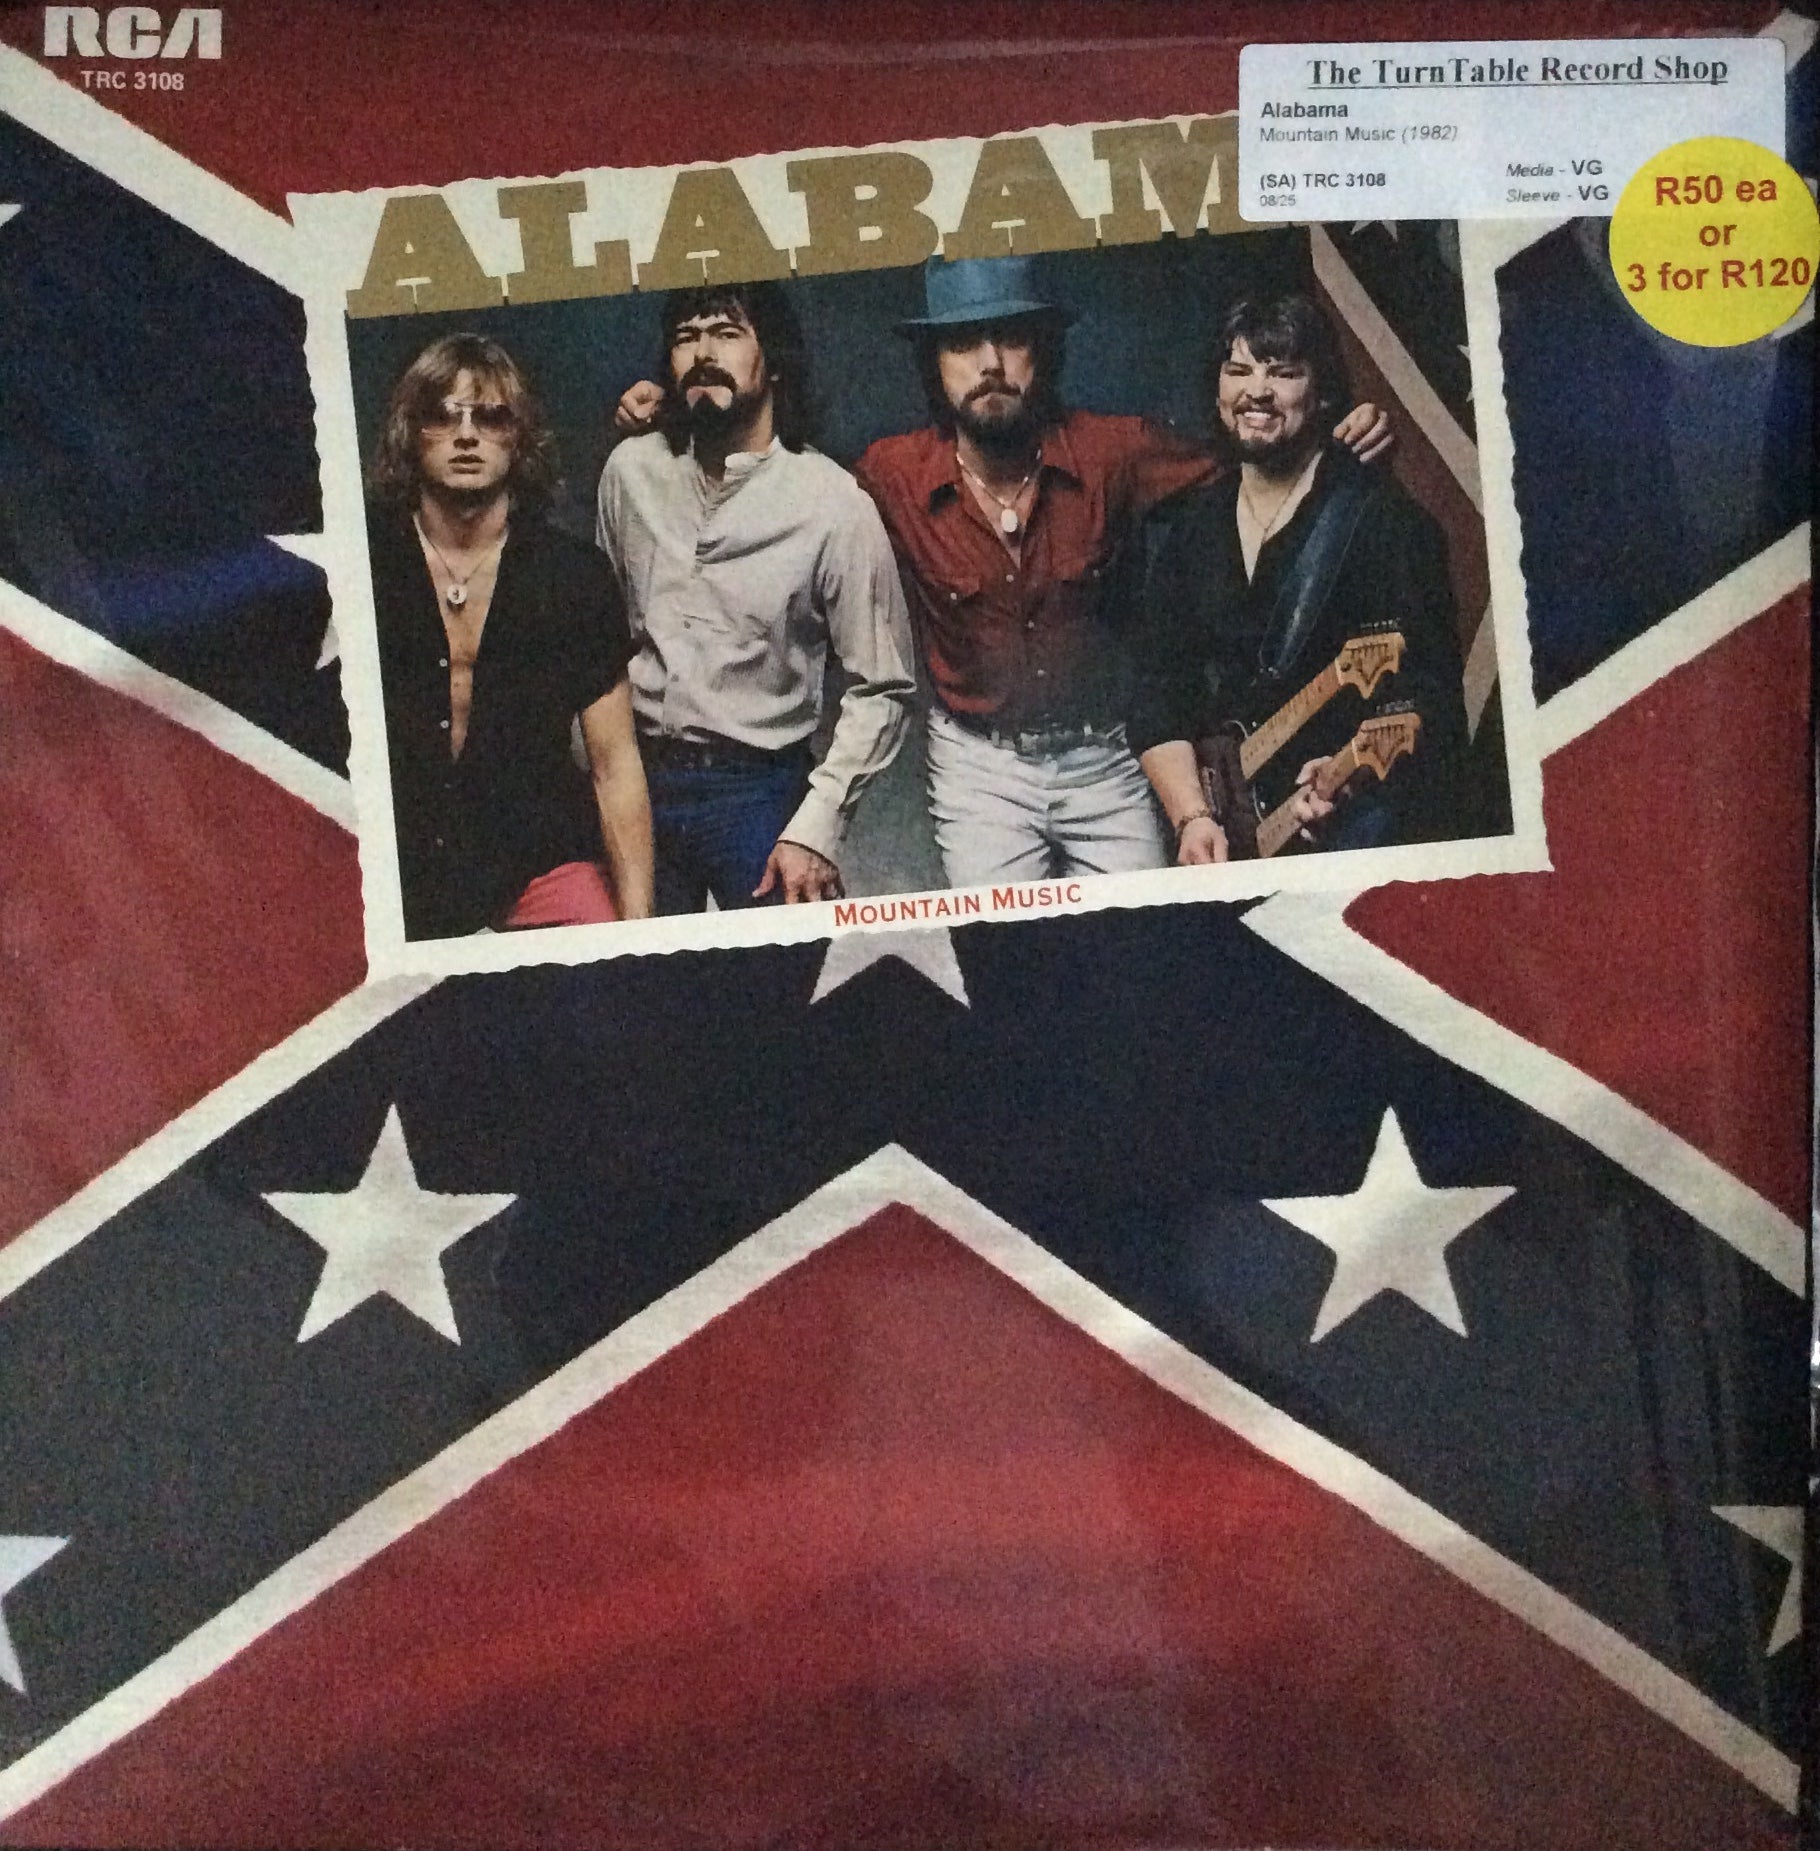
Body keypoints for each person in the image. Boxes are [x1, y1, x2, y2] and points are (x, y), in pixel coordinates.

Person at [848, 255, 1394, 888]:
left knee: (1145, 933)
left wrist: (1344, 433)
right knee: (1001, 939)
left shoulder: (1115, 450)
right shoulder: (891, 473)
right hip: (979, 767)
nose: (990, 363)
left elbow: (1257, 457)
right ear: (934, 362)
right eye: (964, 343)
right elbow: (806, 513)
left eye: (1012, 338)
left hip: (1108, 757)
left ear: (1044, 351)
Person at [596, 282, 916, 913]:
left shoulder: (833, 502)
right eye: (686, 338)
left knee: (785, 972)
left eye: (727, 333)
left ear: (774, 362)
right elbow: (600, 641)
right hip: (638, 778)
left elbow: (885, 686)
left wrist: (818, 827)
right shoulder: (630, 472)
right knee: (643, 972)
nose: (703, 353)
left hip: (759, 791)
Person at [1127, 292, 1468, 862]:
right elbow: (1155, 693)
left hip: (1355, 834)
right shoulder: (1194, 526)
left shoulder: (1384, 521)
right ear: (1217, 389)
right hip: (1222, 830)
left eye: (1283, 373)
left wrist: (1347, 778)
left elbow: (1430, 702)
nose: (1257, 391)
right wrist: (1193, 816)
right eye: (1238, 370)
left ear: (1323, 392)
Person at [367, 333, 654, 940]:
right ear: (410, 433)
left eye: (491, 417)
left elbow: (614, 766)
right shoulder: (362, 564)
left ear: (519, 437)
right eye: (443, 416)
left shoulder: (573, 575)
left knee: (600, 969)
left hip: (537, 856)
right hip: (396, 860)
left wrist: (639, 938)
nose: (466, 435)